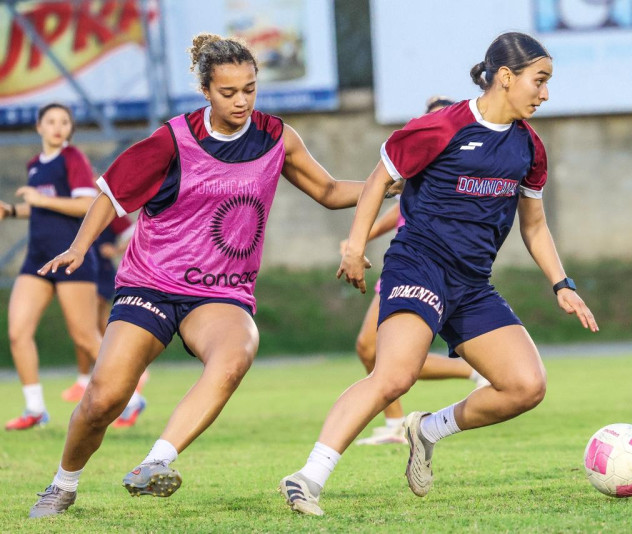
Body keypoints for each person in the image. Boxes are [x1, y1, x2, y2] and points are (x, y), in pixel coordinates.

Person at [28, 33, 363, 518]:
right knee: (104, 398)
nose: (242, 100)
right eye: (229, 92)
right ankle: (63, 483)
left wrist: (395, 178)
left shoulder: (276, 137)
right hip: (151, 284)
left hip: (221, 293)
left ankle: (156, 462)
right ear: (206, 90)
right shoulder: (173, 140)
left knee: (235, 354)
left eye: (250, 88)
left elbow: (330, 190)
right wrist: (79, 247)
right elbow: (112, 193)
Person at [279, 32, 598, 516]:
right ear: (506, 77)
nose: (545, 93)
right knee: (393, 376)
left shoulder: (530, 149)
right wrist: (355, 242)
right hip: (419, 266)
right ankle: (308, 477)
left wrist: (562, 283)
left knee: (526, 386)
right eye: (540, 80)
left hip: (472, 285)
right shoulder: (440, 127)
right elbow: (378, 180)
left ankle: (426, 430)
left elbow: (535, 226)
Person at [348, 96, 490, 446]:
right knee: (369, 349)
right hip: (404, 264)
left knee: (381, 351)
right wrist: (360, 238)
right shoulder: (420, 154)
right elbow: (396, 207)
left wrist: (360, 238)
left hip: (421, 267)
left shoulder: (454, 163)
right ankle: (396, 422)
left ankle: (475, 370)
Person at [0, 103, 103, 431]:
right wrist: (14, 211)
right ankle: (35, 409)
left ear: (70, 129)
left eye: (64, 122)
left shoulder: (72, 158)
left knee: (85, 337)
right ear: (39, 127)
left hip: (71, 255)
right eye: (51, 121)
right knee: (18, 331)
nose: (58, 127)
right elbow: (41, 209)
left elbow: (86, 204)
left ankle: (131, 398)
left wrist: (40, 200)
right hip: (37, 259)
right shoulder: (34, 166)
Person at [60, 214, 137, 405]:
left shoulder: (108, 208)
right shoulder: (77, 206)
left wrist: (117, 249)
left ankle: (116, 384)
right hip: (83, 271)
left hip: (100, 273)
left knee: (86, 328)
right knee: (99, 328)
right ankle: (92, 379)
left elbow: (137, 232)